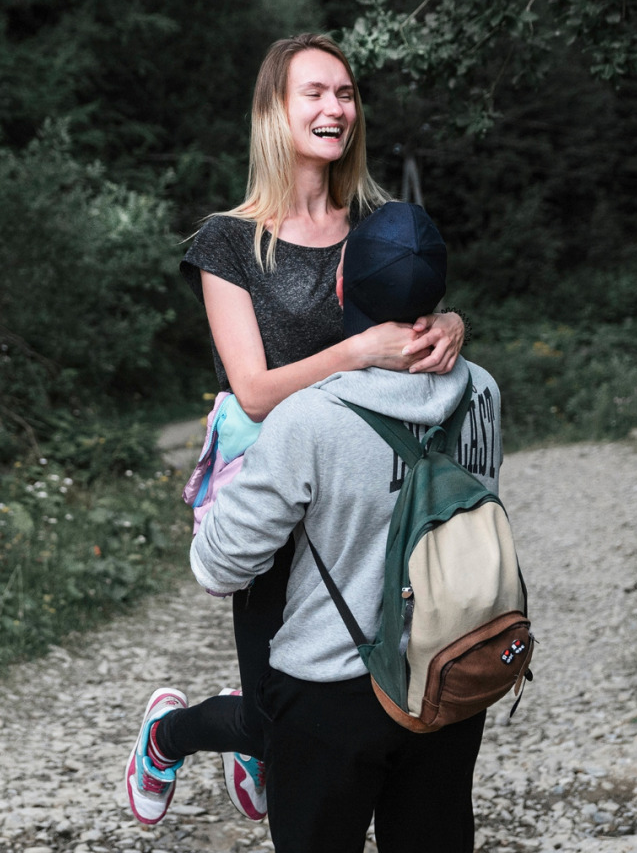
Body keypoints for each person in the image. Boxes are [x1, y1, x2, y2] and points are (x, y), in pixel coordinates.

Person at [122, 33, 467, 826]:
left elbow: (421, 319)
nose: (335, 108)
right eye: (314, 92)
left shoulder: (379, 222)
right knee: (288, 717)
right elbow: (251, 389)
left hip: (372, 500)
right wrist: (358, 351)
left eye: (345, 94)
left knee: (372, 692)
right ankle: (168, 733)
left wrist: (450, 321)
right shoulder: (228, 243)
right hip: (276, 500)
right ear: (274, 110)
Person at [191, 202, 504, 853]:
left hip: (330, 692)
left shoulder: (309, 420)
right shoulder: (484, 392)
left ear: (340, 289)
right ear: (439, 299)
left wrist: (218, 487)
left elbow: (220, 567)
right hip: (451, 674)